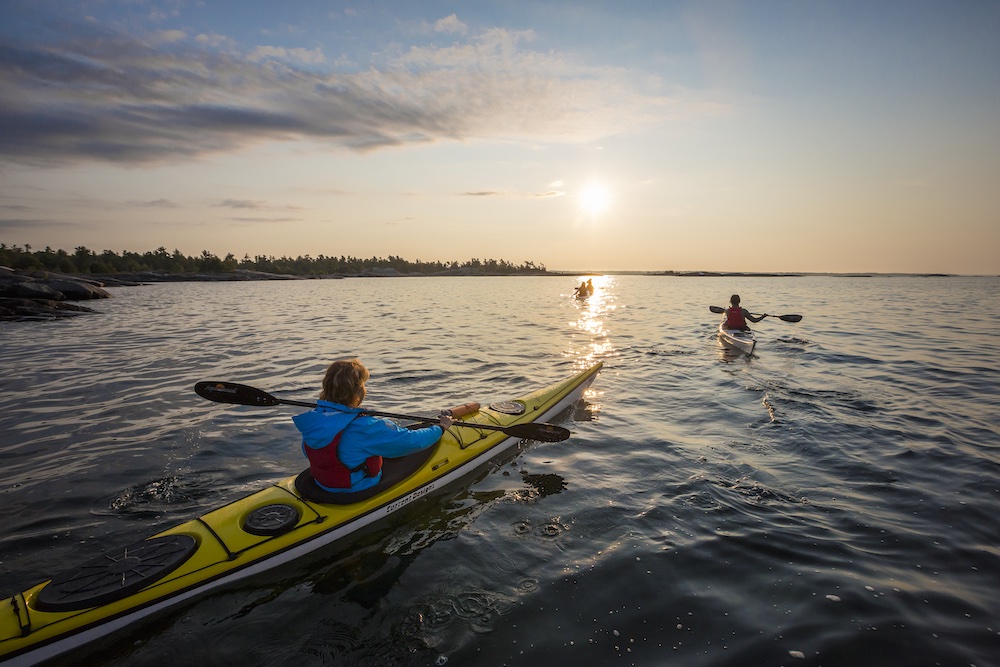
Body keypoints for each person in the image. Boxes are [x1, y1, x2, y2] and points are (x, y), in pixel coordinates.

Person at [292, 358, 455, 493]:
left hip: (323, 482)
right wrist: (441, 428)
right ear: (357, 391)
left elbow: (309, 452)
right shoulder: (366, 426)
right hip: (357, 487)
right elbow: (413, 442)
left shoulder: (314, 418)